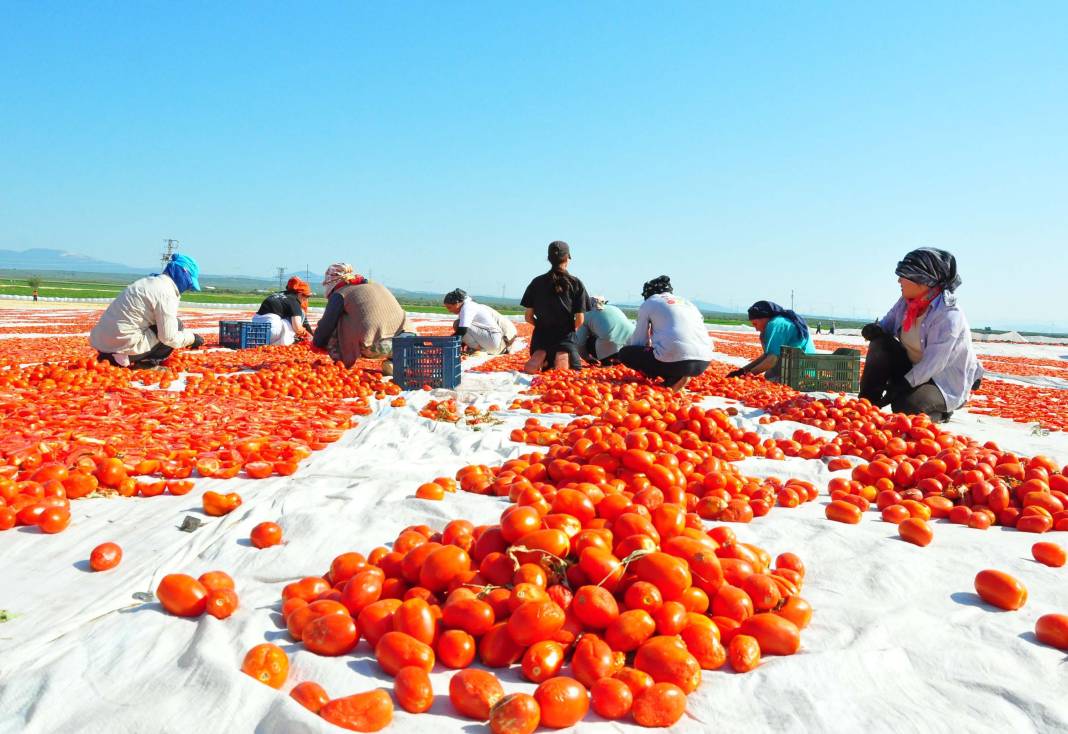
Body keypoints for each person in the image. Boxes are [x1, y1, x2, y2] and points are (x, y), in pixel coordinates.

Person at [858, 247, 983, 421]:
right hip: (915, 366)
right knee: (880, 343)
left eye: (904, 275)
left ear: (923, 280)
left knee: (907, 407)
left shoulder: (948, 316)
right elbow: (886, 326)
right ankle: (866, 404)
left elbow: (933, 364)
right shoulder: (906, 303)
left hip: (941, 381)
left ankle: (941, 411)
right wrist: (875, 330)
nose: (899, 280)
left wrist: (902, 385)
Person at [90, 253, 204, 368]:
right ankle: (145, 363)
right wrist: (192, 338)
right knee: (176, 325)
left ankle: (109, 356)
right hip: (122, 345)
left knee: (163, 324)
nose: (187, 288)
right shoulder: (166, 291)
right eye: (189, 283)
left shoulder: (148, 282)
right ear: (183, 274)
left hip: (102, 344)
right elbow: (168, 337)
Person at [312, 262, 413, 374]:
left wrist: (317, 343)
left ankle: (341, 362)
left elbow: (326, 325)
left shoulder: (340, 293)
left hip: (373, 347)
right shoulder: (376, 285)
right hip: (408, 344)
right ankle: (395, 363)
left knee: (338, 320)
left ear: (332, 282)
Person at [618, 276, 713, 392]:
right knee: (665, 352)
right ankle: (675, 377)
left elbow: (638, 340)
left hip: (675, 360)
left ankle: (669, 376)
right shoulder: (688, 303)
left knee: (625, 353)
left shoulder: (650, 302)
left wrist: (641, 360)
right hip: (703, 362)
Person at [520, 241, 591, 373]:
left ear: (548, 259)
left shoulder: (536, 282)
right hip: (566, 337)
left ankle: (541, 355)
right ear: (567, 258)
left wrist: (541, 326)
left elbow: (528, 317)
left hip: (541, 337)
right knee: (569, 369)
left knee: (544, 350)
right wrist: (568, 329)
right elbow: (580, 319)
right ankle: (561, 354)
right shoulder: (575, 283)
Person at [727, 301, 815, 381]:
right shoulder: (780, 321)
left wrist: (748, 375)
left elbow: (772, 359)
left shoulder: (775, 324)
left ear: (764, 318)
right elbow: (767, 356)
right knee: (770, 374)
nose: (756, 329)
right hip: (804, 367)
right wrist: (742, 371)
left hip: (803, 373)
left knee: (771, 376)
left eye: (755, 324)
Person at [442, 289, 518, 355]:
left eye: (450, 307)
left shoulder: (467, 307)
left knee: (458, 324)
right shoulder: (471, 306)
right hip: (496, 342)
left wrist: (447, 342)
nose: (449, 311)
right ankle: (479, 348)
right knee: (460, 326)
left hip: (496, 342)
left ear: (457, 303)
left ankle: (479, 349)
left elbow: (462, 330)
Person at [254, 276, 312, 346]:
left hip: (255, 330)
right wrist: (308, 335)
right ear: (300, 294)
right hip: (271, 331)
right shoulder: (294, 300)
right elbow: (297, 328)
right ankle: (290, 340)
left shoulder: (277, 294)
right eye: (306, 296)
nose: (306, 299)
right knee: (300, 315)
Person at [575, 296, 633, 365]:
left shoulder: (584, 315)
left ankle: (606, 361)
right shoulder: (614, 308)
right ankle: (619, 359)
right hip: (630, 344)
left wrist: (586, 358)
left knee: (589, 341)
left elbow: (580, 342)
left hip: (611, 344)